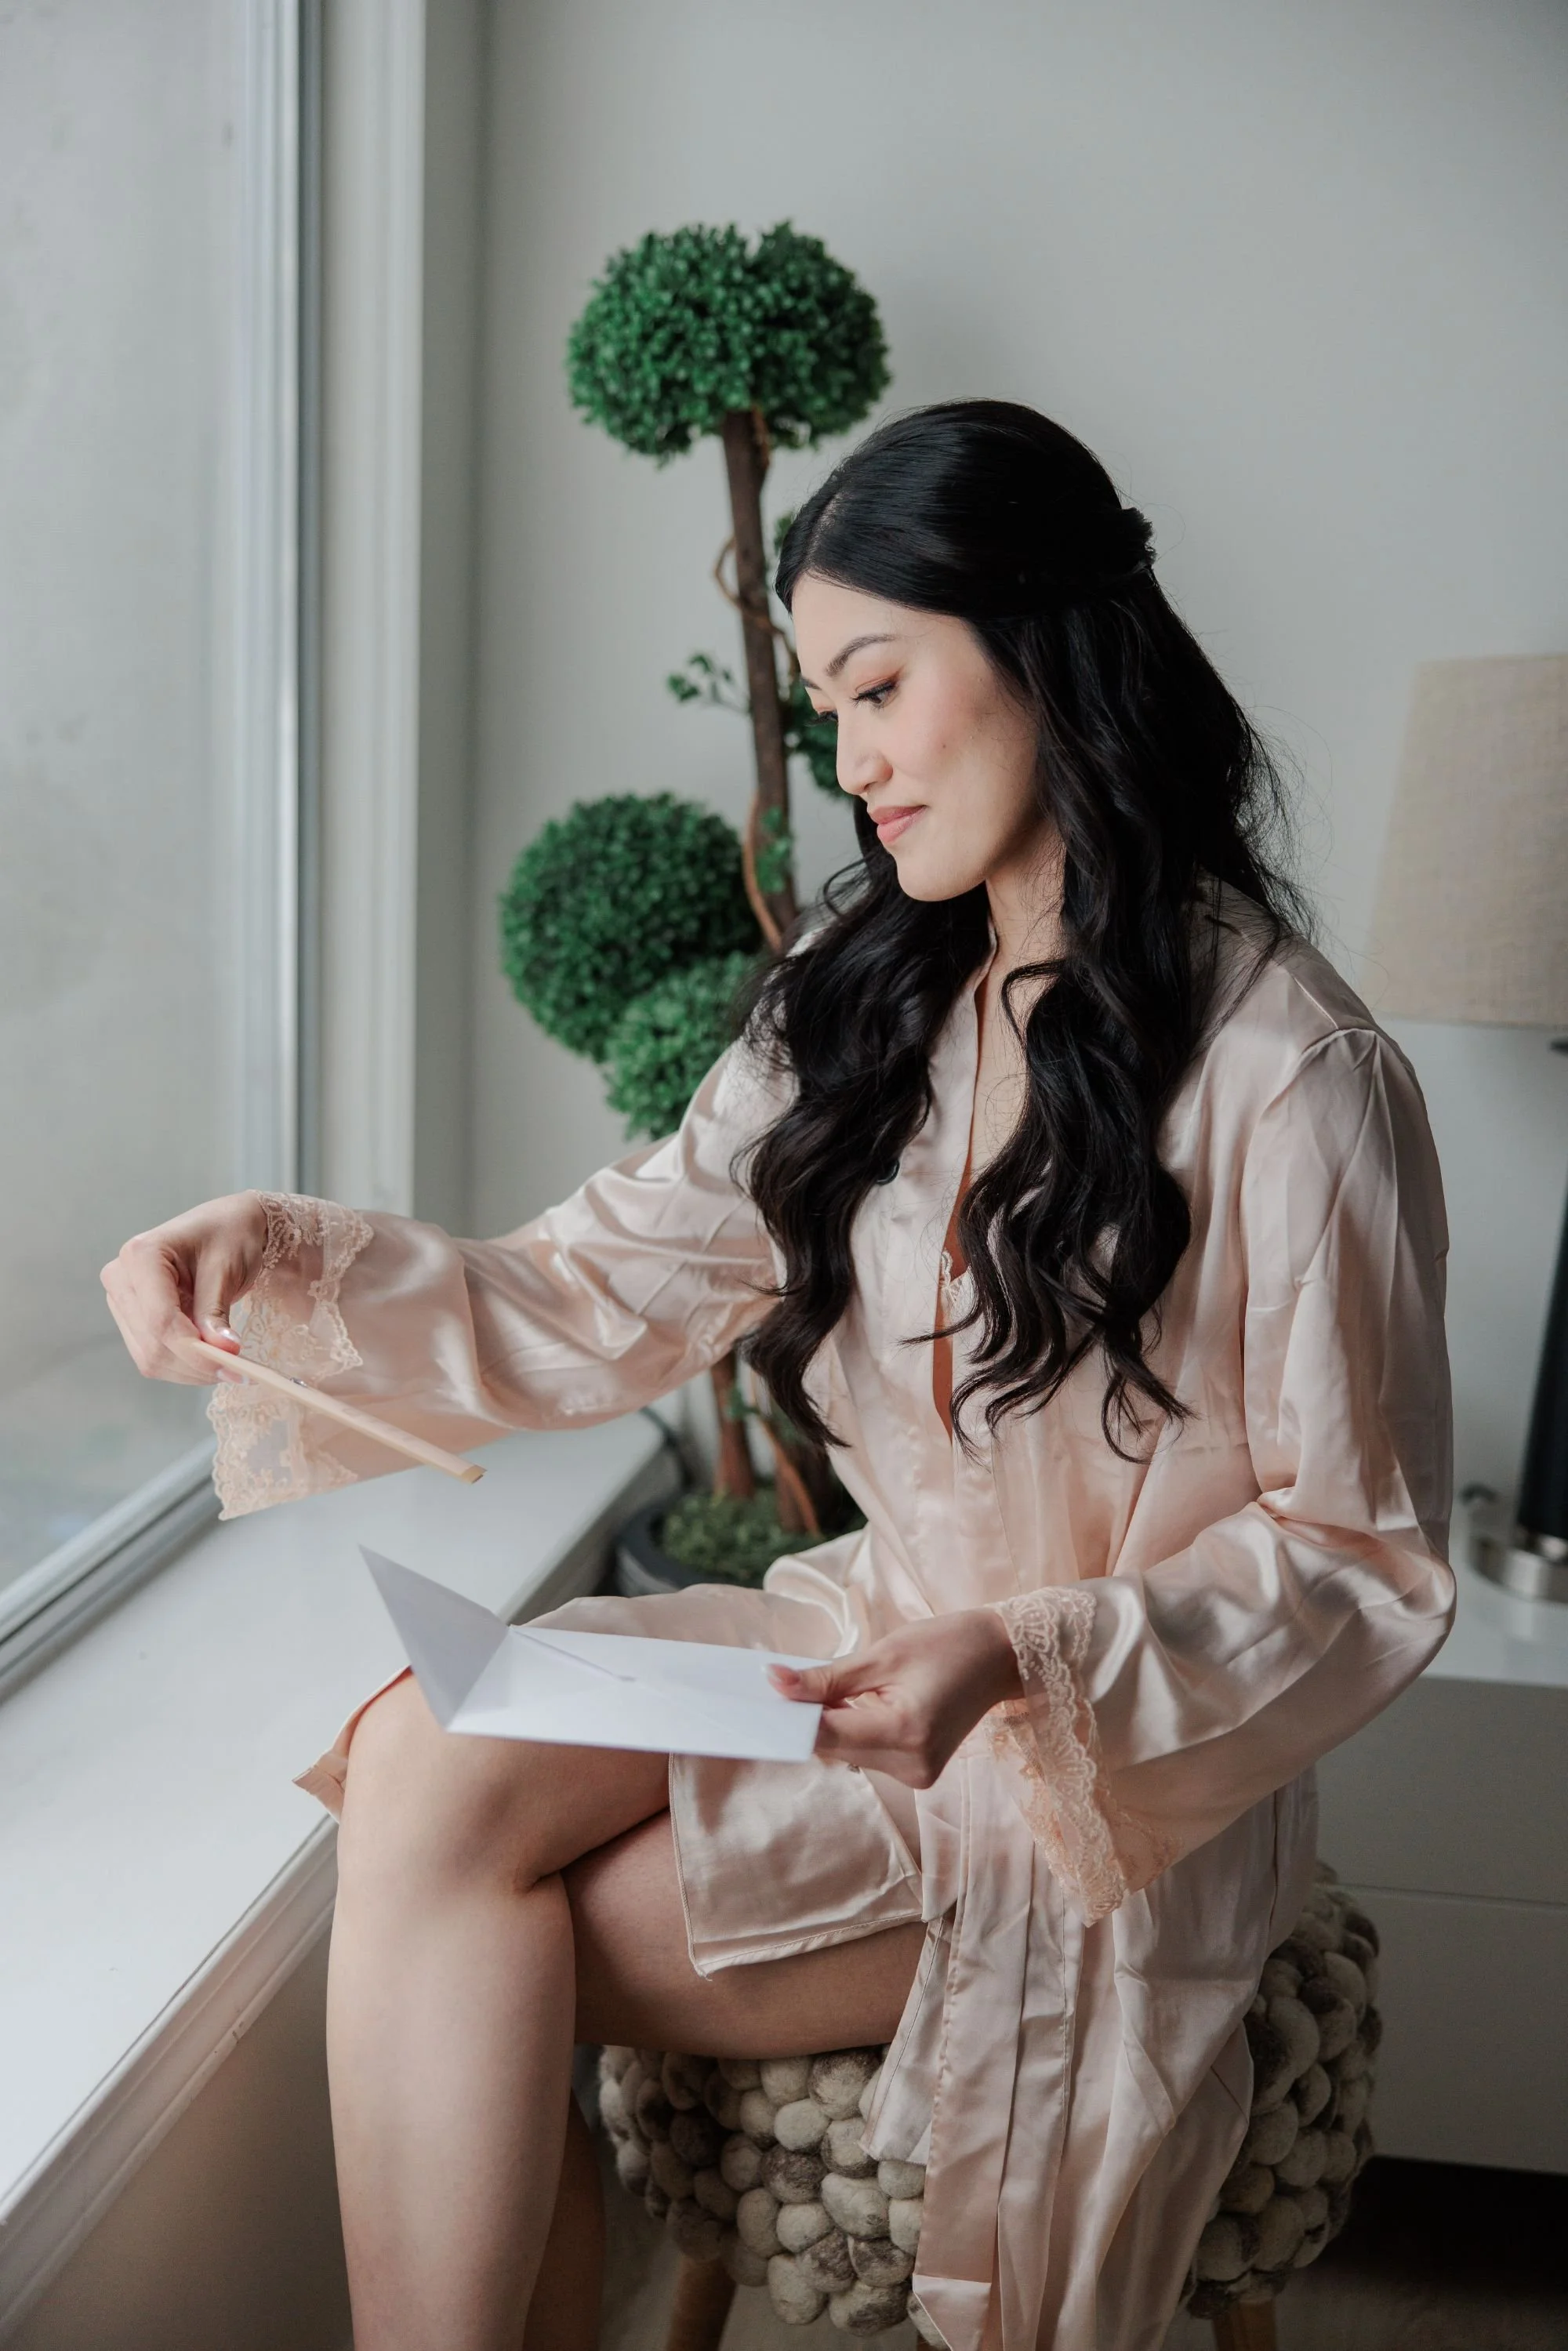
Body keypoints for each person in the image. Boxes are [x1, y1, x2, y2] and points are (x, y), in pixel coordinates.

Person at [102, 401, 1454, 2351]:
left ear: (1045, 641)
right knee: (418, 1757)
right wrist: (275, 1256)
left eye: (879, 686)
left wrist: (1029, 1649)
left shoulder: (1294, 1074)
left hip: (1097, 1767)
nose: (854, 762)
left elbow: (1360, 1554)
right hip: (860, 1641)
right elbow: (593, 1287)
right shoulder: (865, 997)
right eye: (826, 710)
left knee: (486, 1936)